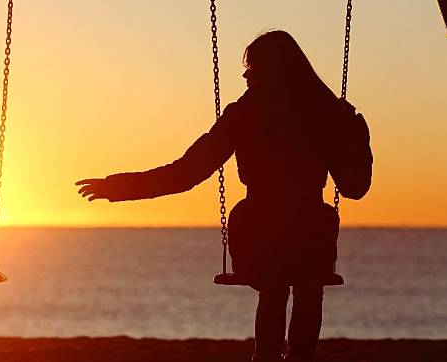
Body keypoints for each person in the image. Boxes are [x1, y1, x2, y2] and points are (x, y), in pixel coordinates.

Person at [76, 30, 370, 362]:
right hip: (309, 235)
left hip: (261, 233)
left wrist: (118, 187)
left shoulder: (244, 114)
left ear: (270, 69)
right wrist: (357, 136)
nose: (245, 74)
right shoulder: (326, 113)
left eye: (251, 66)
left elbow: (186, 173)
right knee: (307, 288)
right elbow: (355, 187)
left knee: (274, 290)